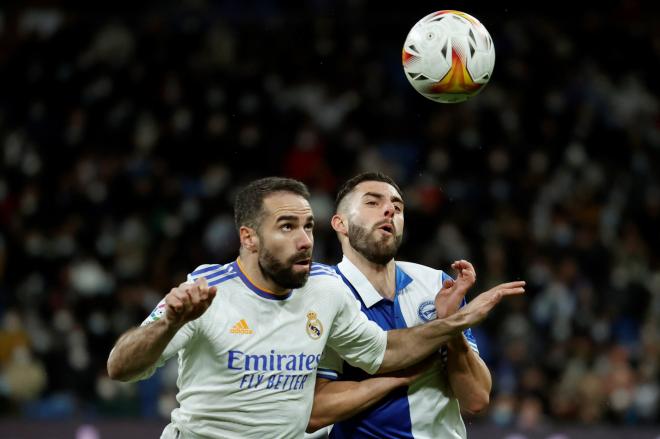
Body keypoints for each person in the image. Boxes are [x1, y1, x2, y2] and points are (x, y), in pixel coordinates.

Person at [106, 176, 525, 439]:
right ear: (248, 238)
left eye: (308, 226)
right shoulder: (205, 291)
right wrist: (165, 324)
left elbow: (385, 351)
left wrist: (455, 323)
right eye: (287, 227)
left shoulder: (324, 291)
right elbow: (121, 366)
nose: (305, 239)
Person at [307, 172, 496, 439]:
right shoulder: (324, 294)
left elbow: (476, 399)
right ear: (340, 223)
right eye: (372, 203)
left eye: (397, 207)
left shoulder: (435, 284)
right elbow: (315, 412)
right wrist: (398, 378)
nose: (389, 211)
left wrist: (449, 326)